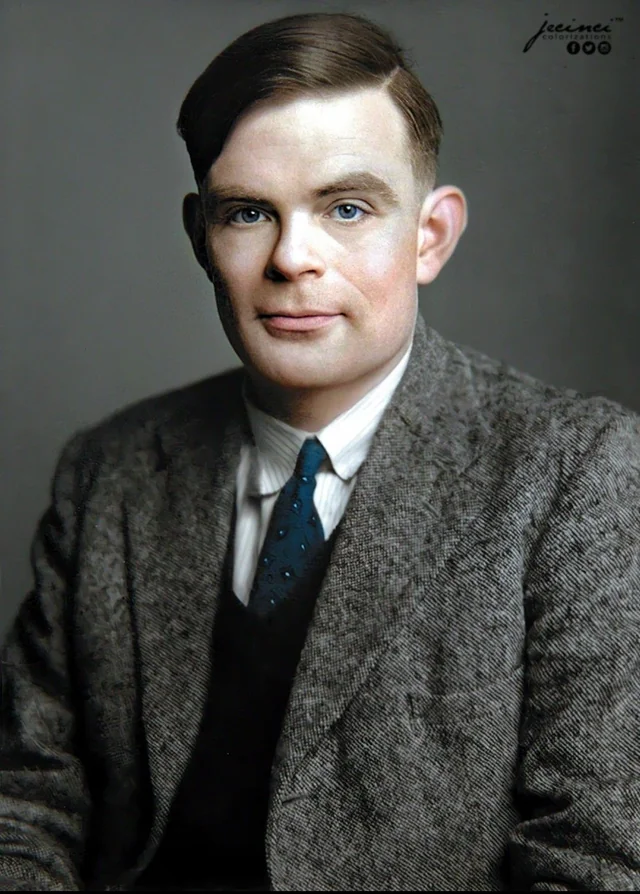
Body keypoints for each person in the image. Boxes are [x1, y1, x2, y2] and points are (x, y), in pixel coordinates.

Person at [1, 11, 638, 892]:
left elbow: (597, 855)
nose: (293, 258)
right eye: (248, 213)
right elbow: (29, 801)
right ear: (200, 238)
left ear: (430, 236)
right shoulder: (109, 470)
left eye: (346, 208)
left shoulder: (577, 473)